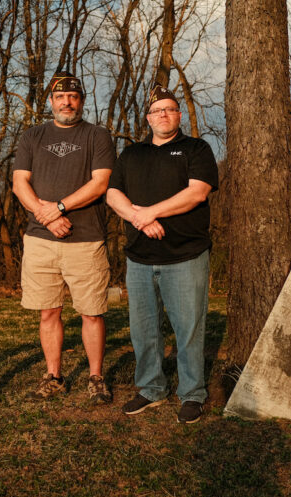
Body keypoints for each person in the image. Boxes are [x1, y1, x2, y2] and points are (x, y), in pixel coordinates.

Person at [107, 85, 218, 424]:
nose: (164, 115)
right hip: (139, 258)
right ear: (148, 118)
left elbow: (197, 193)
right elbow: (113, 195)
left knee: (188, 329)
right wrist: (139, 219)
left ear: (179, 116)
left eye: (170, 109)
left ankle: (192, 393)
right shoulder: (131, 154)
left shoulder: (196, 149)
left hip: (185, 256)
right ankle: (152, 388)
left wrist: (149, 212)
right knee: (144, 330)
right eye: (157, 111)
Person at [12, 71, 115, 404]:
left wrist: (58, 207)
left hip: (85, 239)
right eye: (60, 97)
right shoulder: (32, 136)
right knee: (48, 312)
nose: (66, 102)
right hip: (41, 240)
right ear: (51, 101)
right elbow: (19, 184)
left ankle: (96, 377)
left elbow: (100, 183)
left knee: (91, 312)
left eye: (73, 97)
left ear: (81, 101)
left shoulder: (98, 136)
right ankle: (53, 376)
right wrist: (46, 215)